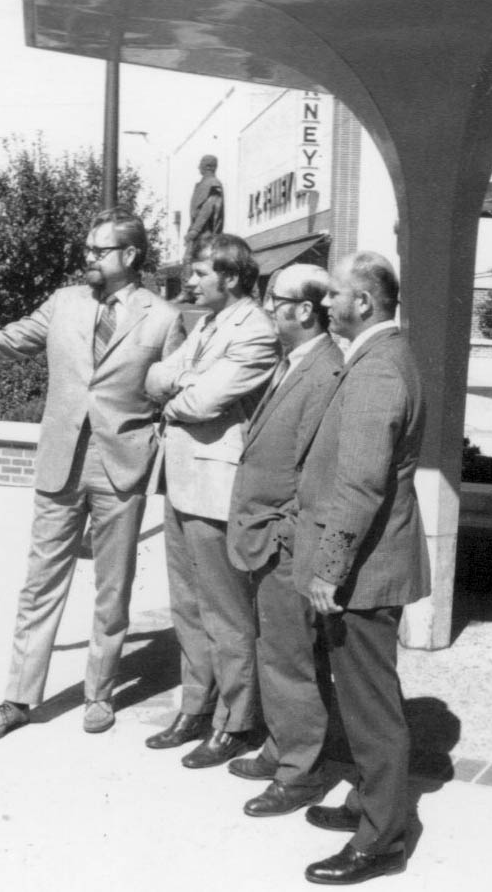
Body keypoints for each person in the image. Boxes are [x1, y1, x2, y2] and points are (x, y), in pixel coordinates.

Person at [0, 209, 185, 739]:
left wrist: (156, 454)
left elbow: (173, 394)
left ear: (130, 255)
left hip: (121, 467)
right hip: (61, 462)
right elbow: (6, 342)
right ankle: (18, 698)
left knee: (113, 588)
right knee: (40, 584)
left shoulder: (165, 318)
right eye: (87, 249)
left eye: (99, 250)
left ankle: (99, 693)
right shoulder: (64, 302)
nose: (88, 258)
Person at [293, 251, 431, 886]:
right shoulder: (382, 355)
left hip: (363, 571)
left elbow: (361, 484)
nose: (325, 302)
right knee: (368, 695)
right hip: (368, 563)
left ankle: (381, 841)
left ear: (365, 302)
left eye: (335, 293)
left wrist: (329, 568)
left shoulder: (378, 369)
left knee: (371, 707)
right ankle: (370, 803)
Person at [144, 233, 278, 767]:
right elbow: (154, 375)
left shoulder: (257, 330)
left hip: (216, 490)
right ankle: (196, 707)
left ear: (232, 276)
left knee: (226, 614)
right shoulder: (205, 324)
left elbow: (201, 403)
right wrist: (183, 381)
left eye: (200, 273)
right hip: (180, 481)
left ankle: (236, 721)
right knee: (187, 607)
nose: (191, 282)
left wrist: (177, 390)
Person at [226, 264, 343, 817]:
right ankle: (282, 748)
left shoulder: (324, 372)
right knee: (276, 653)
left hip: (286, 544)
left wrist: (286, 535)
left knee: (290, 660)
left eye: (275, 300)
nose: (268, 308)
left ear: (305, 310)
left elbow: (320, 471)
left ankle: (300, 774)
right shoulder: (294, 361)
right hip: (268, 538)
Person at [180, 155, 225, 295]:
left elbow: (208, 208)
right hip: (199, 230)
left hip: (205, 232)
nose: (198, 167)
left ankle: (191, 292)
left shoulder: (213, 183)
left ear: (207, 166)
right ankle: (188, 292)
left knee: (199, 260)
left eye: (200, 164)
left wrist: (195, 230)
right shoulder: (203, 184)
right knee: (190, 259)